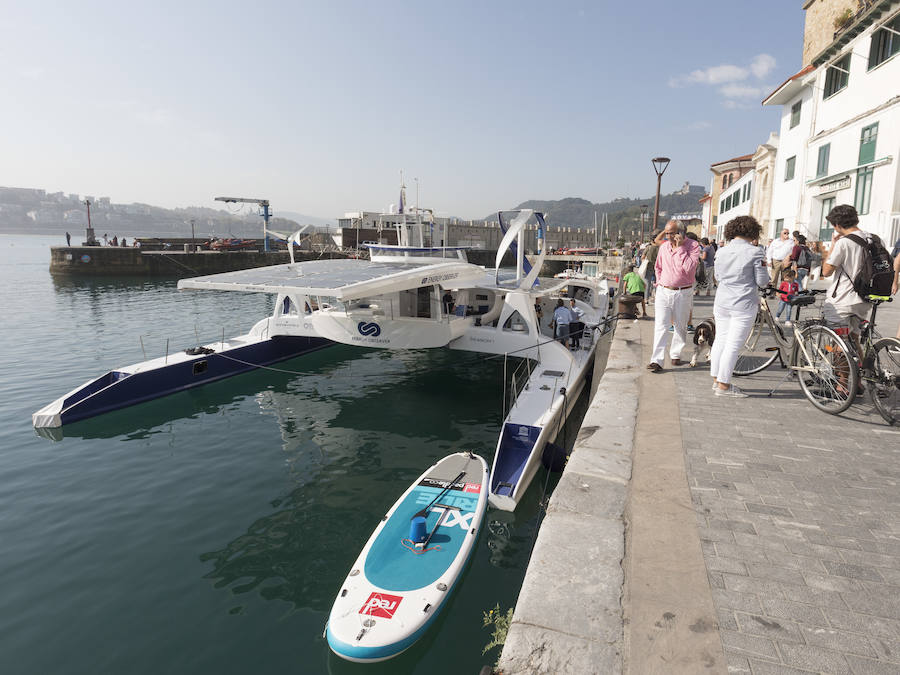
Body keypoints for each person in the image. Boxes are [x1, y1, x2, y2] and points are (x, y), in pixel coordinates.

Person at [710, 215, 770, 397]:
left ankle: (716, 379)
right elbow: (762, 281)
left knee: (721, 339)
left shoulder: (721, 251)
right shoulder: (756, 252)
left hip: (722, 301)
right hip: (743, 303)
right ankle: (724, 386)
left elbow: (718, 277)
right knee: (733, 345)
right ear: (752, 231)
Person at [820, 204, 873, 363]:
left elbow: (826, 271)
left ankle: (843, 385)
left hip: (842, 300)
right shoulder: (873, 238)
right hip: (864, 300)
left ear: (837, 225)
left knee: (839, 342)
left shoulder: (843, 242)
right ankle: (860, 378)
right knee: (854, 339)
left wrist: (833, 246)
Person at [647, 221, 701, 372]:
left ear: (681, 232)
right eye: (667, 233)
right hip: (664, 291)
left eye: (672, 233)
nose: (669, 236)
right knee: (661, 325)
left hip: (683, 292)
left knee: (680, 324)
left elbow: (689, 269)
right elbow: (658, 266)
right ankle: (656, 360)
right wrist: (659, 282)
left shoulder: (693, 246)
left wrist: (681, 248)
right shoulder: (664, 247)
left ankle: (676, 353)